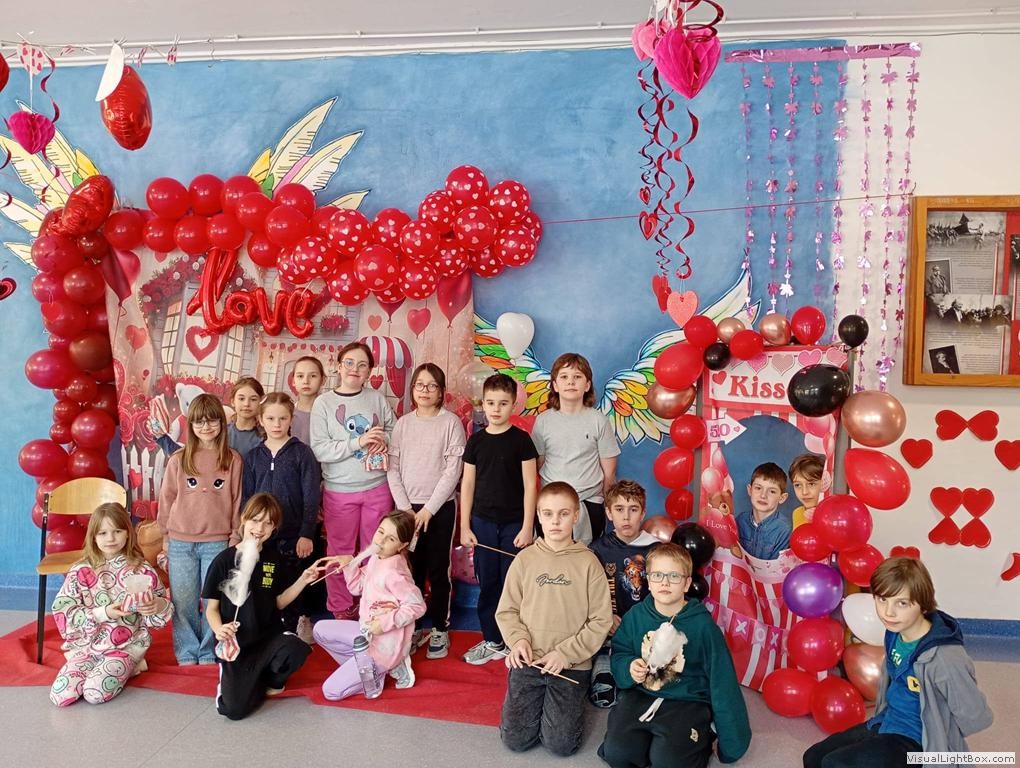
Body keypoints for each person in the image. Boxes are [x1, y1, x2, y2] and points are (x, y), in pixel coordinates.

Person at [803, 557, 992, 767]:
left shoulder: (945, 657)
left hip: (918, 741)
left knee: (834, 764)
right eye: (882, 599)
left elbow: (977, 716)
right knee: (814, 757)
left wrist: (937, 739)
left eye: (902, 603)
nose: (888, 612)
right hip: (887, 722)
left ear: (923, 605)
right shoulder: (894, 633)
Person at [600, 543, 751, 767]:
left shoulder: (703, 626)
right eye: (657, 575)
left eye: (674, 576)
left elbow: (723, 682)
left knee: (668, 762)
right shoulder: (635, 616)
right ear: (648, 581)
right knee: (618, 754)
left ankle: (701, 740)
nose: (665, 582)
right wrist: (629, 667)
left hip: (687, 700)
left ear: (687, 583)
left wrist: (732, 745)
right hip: (641, 694)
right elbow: (621, 651)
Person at [496, 482, 613, 756]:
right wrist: (518, 641)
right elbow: (507, 611)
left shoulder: (589, 563)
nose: (555, 521)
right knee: (516, 740)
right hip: (529, 660)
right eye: (548, 514)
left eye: (563, 513)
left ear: (576, 516)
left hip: (571, 665)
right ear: (538, 515)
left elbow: (601, 620)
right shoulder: (524, 560)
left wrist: (566, 654)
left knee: (561, 745)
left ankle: (568, 702)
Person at [203, 494, 317, 720]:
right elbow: (211, 609)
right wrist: (219, 629)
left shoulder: (274, 559)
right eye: (255, 520)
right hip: (237, 644)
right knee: (234, 710)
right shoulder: (223, 560)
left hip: (267, 639)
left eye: (267, 523)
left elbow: (278, 601)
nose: (260, 528)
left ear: (274, 528)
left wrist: (303, 580)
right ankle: (242, 681)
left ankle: (272, 680)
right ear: (244, 519)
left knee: (296, 648)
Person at [49, 502, 173, 707]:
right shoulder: (80, 571)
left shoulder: (141, 570)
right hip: (87, 648)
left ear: (128, 533)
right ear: (93, 536)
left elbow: (161, 610)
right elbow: (63, 610)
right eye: (103, 533)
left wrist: (156, 605)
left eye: (117, 531)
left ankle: (131, 664)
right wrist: (103, 613)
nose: (110, 538)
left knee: (94, 693)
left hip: (125, 646)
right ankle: (99, 666)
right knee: (60, 696)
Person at [311, 341, 396, 620]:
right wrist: (358, 442)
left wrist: (384, 440)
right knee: (340, 552)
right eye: (349, 363)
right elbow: (320, 449)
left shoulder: (377, 399)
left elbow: (394, 431)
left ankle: (372, 603)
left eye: (362, 365)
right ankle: (340, 607)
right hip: (339, 491)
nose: (354, 369)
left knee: (377, 549)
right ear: (338, 366)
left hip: (377, 487)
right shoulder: (323, 403)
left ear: (369, 371)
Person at [387, 363, 466, 660]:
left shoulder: (451, 423)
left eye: (432, 385)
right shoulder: (403, 424)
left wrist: (429, 509)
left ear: (441, 391)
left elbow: (452, 471)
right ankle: (415, 626)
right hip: (407, 510)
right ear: (412, 390)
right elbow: (392, 468)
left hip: (439, 508)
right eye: (420, 385)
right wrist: (406, 510)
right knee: (411, 570)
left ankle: (439, 628)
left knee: (438, 569)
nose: (425, 390)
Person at [460, 373, 539, 665]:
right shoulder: (476, 442)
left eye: (503, 403)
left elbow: (530, 485)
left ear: (513, 405)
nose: (496, 409)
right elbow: (468, 484)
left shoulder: (522, 441)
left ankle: (516, 641)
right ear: (483, 403)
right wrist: (465, 526)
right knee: (489, 581)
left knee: (513, 583)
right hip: (482, 522)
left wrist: (528, 526)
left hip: (514, 524)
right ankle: (492, 639)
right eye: (491, 403)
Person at [158, 393, 242, 665]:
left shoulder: (232, 460)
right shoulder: (179, 459)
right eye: (199, 422)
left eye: (212, 420)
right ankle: (186, 651)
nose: (206, 427)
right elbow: (167, 498)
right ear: (190, 424)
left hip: (217, 542)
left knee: (212, 600)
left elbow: (238, 500)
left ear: (222, 423)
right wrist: (165, 536)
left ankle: (208, 650)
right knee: (183, 601)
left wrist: (234, 537)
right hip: (180, 542)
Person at [314, 511, 426, 699]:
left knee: (330, 692)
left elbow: (417, 606)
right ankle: (366, 669)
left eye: (391, 539)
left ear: (402, 545)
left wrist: (384, 623)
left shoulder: (394, 573)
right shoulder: (377, 557)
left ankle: (374, 676)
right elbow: (357, 587)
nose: (381, 541)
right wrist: (349, 564)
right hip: (367, 632)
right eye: (380, 532)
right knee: (319, 630)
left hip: (382, 647)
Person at [242, 392, 321, 644]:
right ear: (260, 420)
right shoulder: (254, 456)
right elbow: (247, 499)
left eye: (283, 418)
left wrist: (306, 533)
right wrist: (248, 535)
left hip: (294, 536)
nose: (276, 424)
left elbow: (311, 496)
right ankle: (267, 627)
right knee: (264, 581)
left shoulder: (302, 453)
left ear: (291, 419)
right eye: (270, 418)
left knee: (294, 580)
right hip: (263, 536)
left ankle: (298, 624)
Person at [531, 353, 620, 544]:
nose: (571, 382)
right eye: (564, 377)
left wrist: (607, 506)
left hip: (589, 503)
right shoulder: (543, 421)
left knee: (584, 556)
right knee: (551, 556)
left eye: (577, 377)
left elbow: (609, 472)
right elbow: (538, 464)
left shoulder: (598, 421)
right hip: (552, 506)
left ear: (587, 385)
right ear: (555, 385)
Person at [588, 480, 659, 708]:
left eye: (633, 509)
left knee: (655, 685)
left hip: (644, 628)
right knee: (604, 696)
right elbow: (587, 593)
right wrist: (605, 616)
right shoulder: (597, 550)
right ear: (609, 513)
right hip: (609, 628)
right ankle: (605, 660)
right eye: (619, 509)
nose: (626, 517)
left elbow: (664, 596)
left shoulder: (656, 550)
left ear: (643, 513)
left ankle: (635, 667)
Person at [735, 462, 791, 561]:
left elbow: (777, 566)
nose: (763, 495)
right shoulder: (740, 520)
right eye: (758, 488)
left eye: (772, 491)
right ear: (750, 490)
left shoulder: (784, 530)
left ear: (782, 498)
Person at [228, 376, 266, 459]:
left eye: (253, 399)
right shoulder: (222, 433)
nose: (246, 404)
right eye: (241, 399)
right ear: (233, 401)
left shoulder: (265, 437)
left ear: (261, 402)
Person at [291, 356, 325, 444]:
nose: (306, 381)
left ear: (323, 380)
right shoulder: (287, 413)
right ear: (293, 381)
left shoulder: (328, 414)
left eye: (313, 376)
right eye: (300, 376)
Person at [789, 454, 825, 530]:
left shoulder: (831, 514)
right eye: (798, 485)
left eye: (811, 484)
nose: (804, 492)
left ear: (824, 483)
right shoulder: (798, 513)